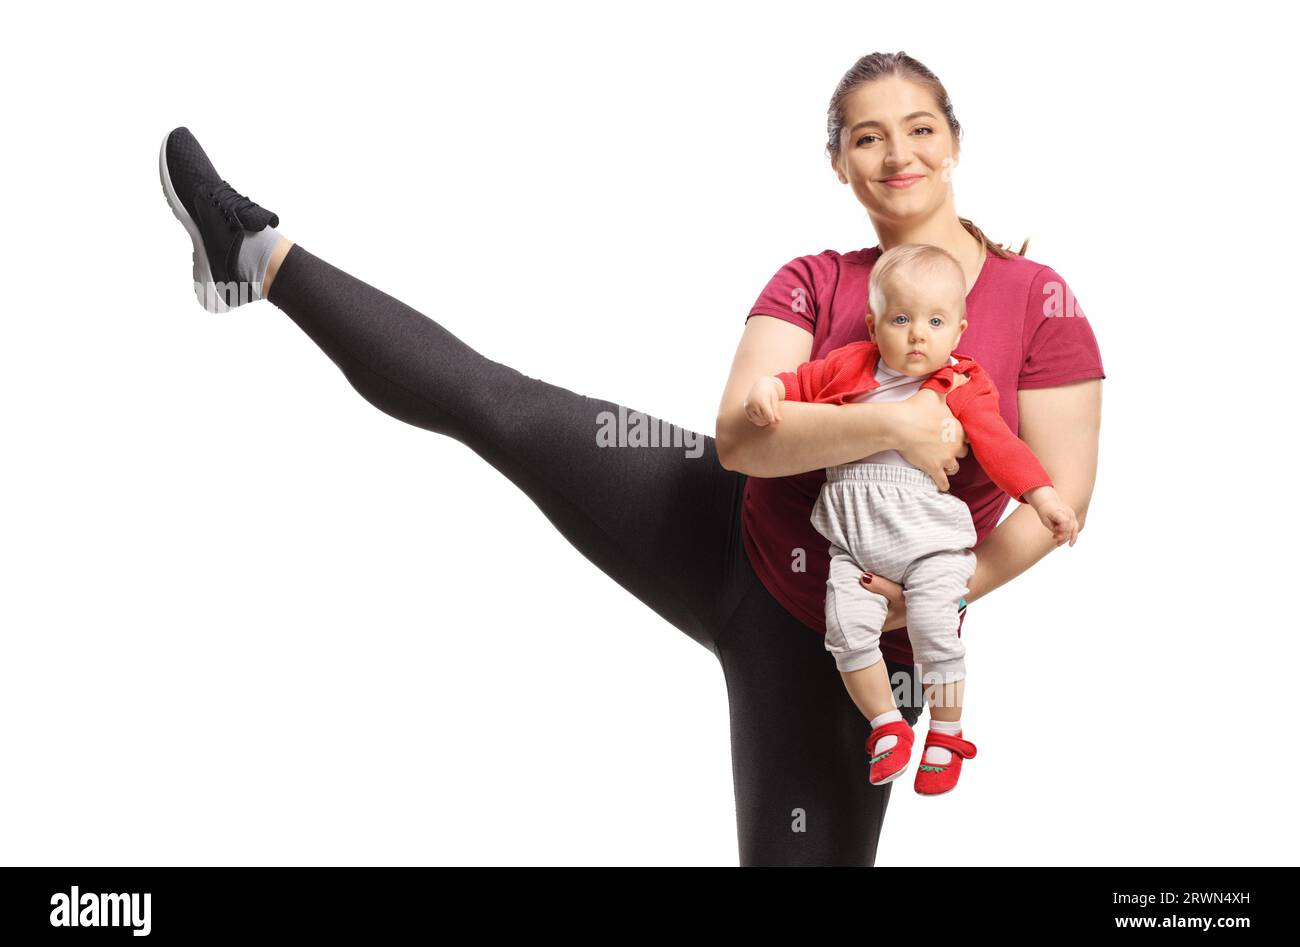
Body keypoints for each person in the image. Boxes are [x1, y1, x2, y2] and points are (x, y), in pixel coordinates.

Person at [156, 49, 1104, 866]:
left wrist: (938, 592)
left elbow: (1060, 500)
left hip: (847, 643)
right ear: (839, 164)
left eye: (919, 128)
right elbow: (740, 433)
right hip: (717, 527)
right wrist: (892, 428)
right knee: (505, 407)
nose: (898, 154)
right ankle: (251, 252)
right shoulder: (814, 280)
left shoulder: (1039, 300)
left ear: (954, 141)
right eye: (867, 137)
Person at [743, 242, 1080, 796]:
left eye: (935, 321)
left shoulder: (962, 384)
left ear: (959, 329)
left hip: (930, 547)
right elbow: (794, 383)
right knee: (846, 633)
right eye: (901, 319)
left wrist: (1042, 498)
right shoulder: (846, 366)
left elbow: (1000, 447)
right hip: (854, 546)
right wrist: (767, 389)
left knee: (933, 630)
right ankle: (886, 726)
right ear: (874, 328)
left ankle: (947, 733)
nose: (918, 333)